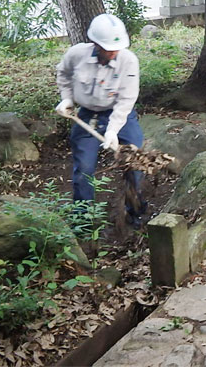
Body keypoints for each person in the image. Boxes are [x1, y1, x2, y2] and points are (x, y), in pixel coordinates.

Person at [54, 12, 146, 227]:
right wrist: (67, 99)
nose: (113, 52)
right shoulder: (76, 55)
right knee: (84, 168)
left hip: (120, 115)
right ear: (95, 43)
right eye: (107, 48)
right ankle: (82, 220)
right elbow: (63, 74)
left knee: (135, 162)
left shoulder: (128, 61)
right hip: (86, 114)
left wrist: (113, 130)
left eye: (116, 48)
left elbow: (126, 100)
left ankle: (134, 215)